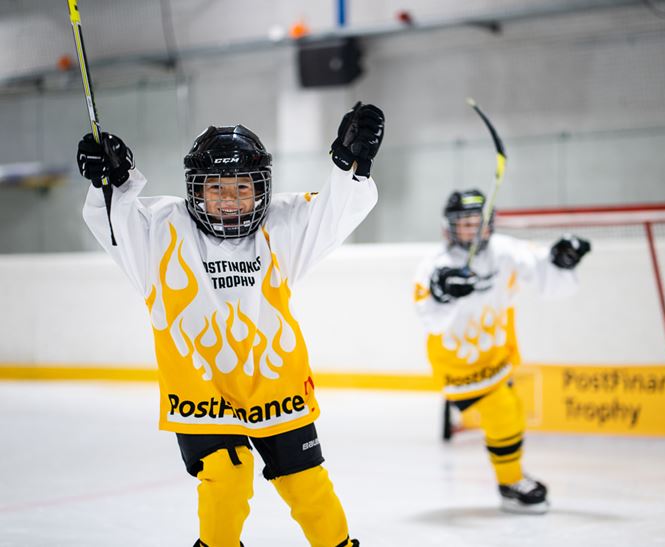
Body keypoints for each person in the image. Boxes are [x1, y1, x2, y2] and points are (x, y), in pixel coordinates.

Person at [77, 102, 384, 547]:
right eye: (216, 188)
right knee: (228, 478)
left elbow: (336, 212)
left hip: (274, 385)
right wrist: (112, 178)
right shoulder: (161, 229)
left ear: (261, 189)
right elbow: (114, 219)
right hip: (202, 391)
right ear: (195, 191)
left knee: (307, 486)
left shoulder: (281, 226)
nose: (230, 199)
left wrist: (353, 164)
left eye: (242, 187)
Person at [413, 189, 590, 514]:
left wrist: (561, 261)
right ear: (448, 227)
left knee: (511, 411)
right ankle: (510, 483)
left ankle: (511, 477)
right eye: (463, 223)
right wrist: (443, 293)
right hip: (459, 365)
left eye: (476, 222)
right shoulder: (434, 265)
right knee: (504, 413)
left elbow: (545, 276)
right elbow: (429, 319)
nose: (471, 229)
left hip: (498, 358)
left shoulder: (505, 251)